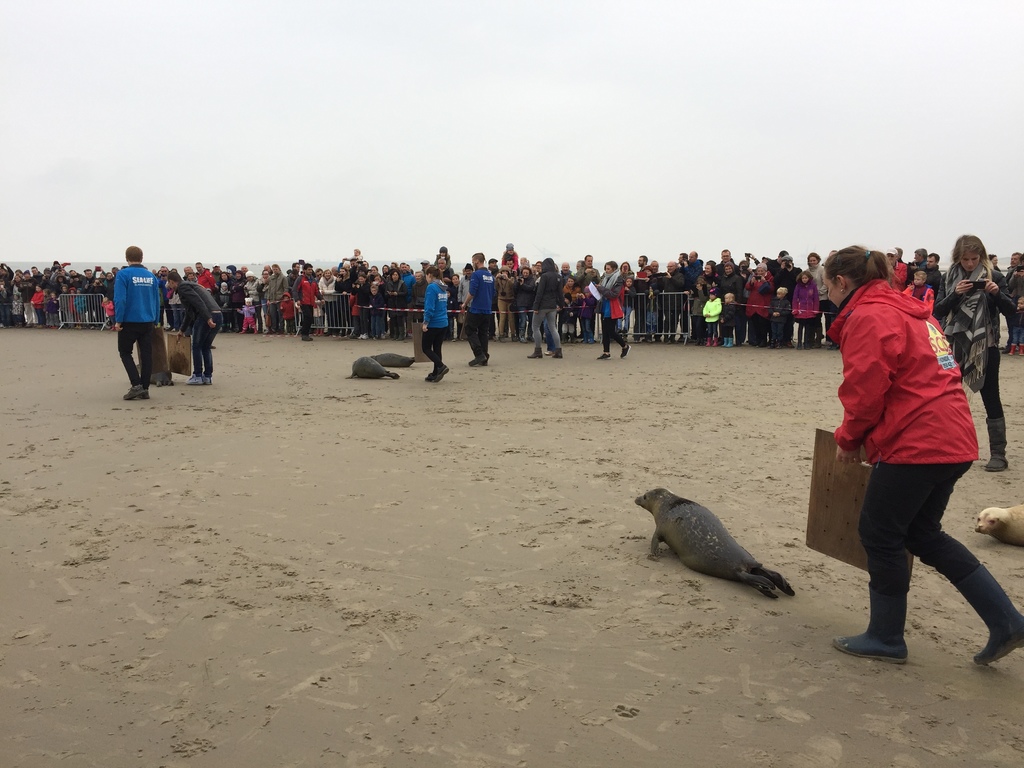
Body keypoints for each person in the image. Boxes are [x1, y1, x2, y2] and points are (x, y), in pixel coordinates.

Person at [824, 245, 1024, 666]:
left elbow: (865, 390)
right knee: (922, 534)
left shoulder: (868, 315)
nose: (829, 296)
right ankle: (1007, 622)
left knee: (880, 534)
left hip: (916, 442)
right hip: (953, 437)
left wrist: (847, 440)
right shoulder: (915, 310)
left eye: (829, 288)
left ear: (842, 282)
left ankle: (885, 637)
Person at [932, 235, 1016, 472]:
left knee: (991, 398)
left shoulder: (995, 275)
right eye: (965, 259)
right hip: (953, 345)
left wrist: (997, 292)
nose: (970, 264)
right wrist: (955, 293)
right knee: (948, 397)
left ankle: (998, 454)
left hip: (985, 346)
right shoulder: (948, 277)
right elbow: (937, 310)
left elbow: (1010, 310)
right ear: (958, 258)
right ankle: (948, 448)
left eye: (974, 259)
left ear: (981, 256)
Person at [113, 246, 161, 400]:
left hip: (129, 320)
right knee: (146, 354)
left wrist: (118, 319)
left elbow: (120, 299)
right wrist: (156, 319)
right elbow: (156, 299)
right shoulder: (150, 276)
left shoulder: (123, 274)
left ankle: (136, 385)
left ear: (127, 258)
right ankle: (145, 387)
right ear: (142, 257)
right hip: (147, 319)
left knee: (125, 352)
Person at [166, 270, 222, 385]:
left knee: (196, 346)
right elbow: (189, 312)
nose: (170, 287)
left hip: (206, 316)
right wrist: (182, 330)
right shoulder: (193, 285)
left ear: (172, 282)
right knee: (205, 346)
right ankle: (207, 376)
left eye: (169, 284)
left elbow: (198, 302)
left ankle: (197, 375)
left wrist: (207, 318)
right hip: (218, 314)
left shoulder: (183, 288)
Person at [462, 253, 495, 366]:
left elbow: (472, 292)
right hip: (487, 308)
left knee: (469, 329)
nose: (473, 264)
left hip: (476, 308)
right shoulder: (490, 276)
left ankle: (479, 353)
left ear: (477, 261)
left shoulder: (476, 275)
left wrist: (465, 303)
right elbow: (493, 292)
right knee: (483, 333)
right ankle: (484, 356)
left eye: (473, 261)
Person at [528, 258, 563, 359]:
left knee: (535, 326)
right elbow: (560, 293)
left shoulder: (544, 276)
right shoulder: (558, 276)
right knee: (553, 327)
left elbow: (540, 292)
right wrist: (561, 304)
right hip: (552, 305)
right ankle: (558, 350)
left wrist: (536, 306)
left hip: (542, 305)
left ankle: (538, 350)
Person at [595, 261, 630, 360]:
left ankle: (624, 346)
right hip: (605, 305)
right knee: (605, 330)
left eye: (608, 269)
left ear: (614, 269)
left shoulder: (618, 279)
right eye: (605, 268)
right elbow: (605, 291)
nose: (606, 271)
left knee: (610, 330)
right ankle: (606, 352)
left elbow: (614, 294)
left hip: (613, 306)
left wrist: (601, 289)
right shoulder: (605, 278)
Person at [421, 267, 450, 382]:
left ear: (429, 275)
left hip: (433, 323)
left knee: (426, 348)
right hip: (443, 322)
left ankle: (441, 366)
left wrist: (425, 322)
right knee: (437, 348)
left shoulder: (431, 287)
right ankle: (435, 372)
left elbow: (429, 307)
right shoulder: (442, 287)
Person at [296, 264, 321, 341]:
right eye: (309, 269)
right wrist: (297, 299)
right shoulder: (300, 279)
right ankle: (304, 334)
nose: (310, 271)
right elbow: (295, 289)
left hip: (311, 302)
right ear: (304, 270)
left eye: (311, 269)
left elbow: (316, 291)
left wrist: (321, 298)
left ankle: (305, 333)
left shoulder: (313, 279)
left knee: (309, 318)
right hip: (303, 301)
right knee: (308, 317)